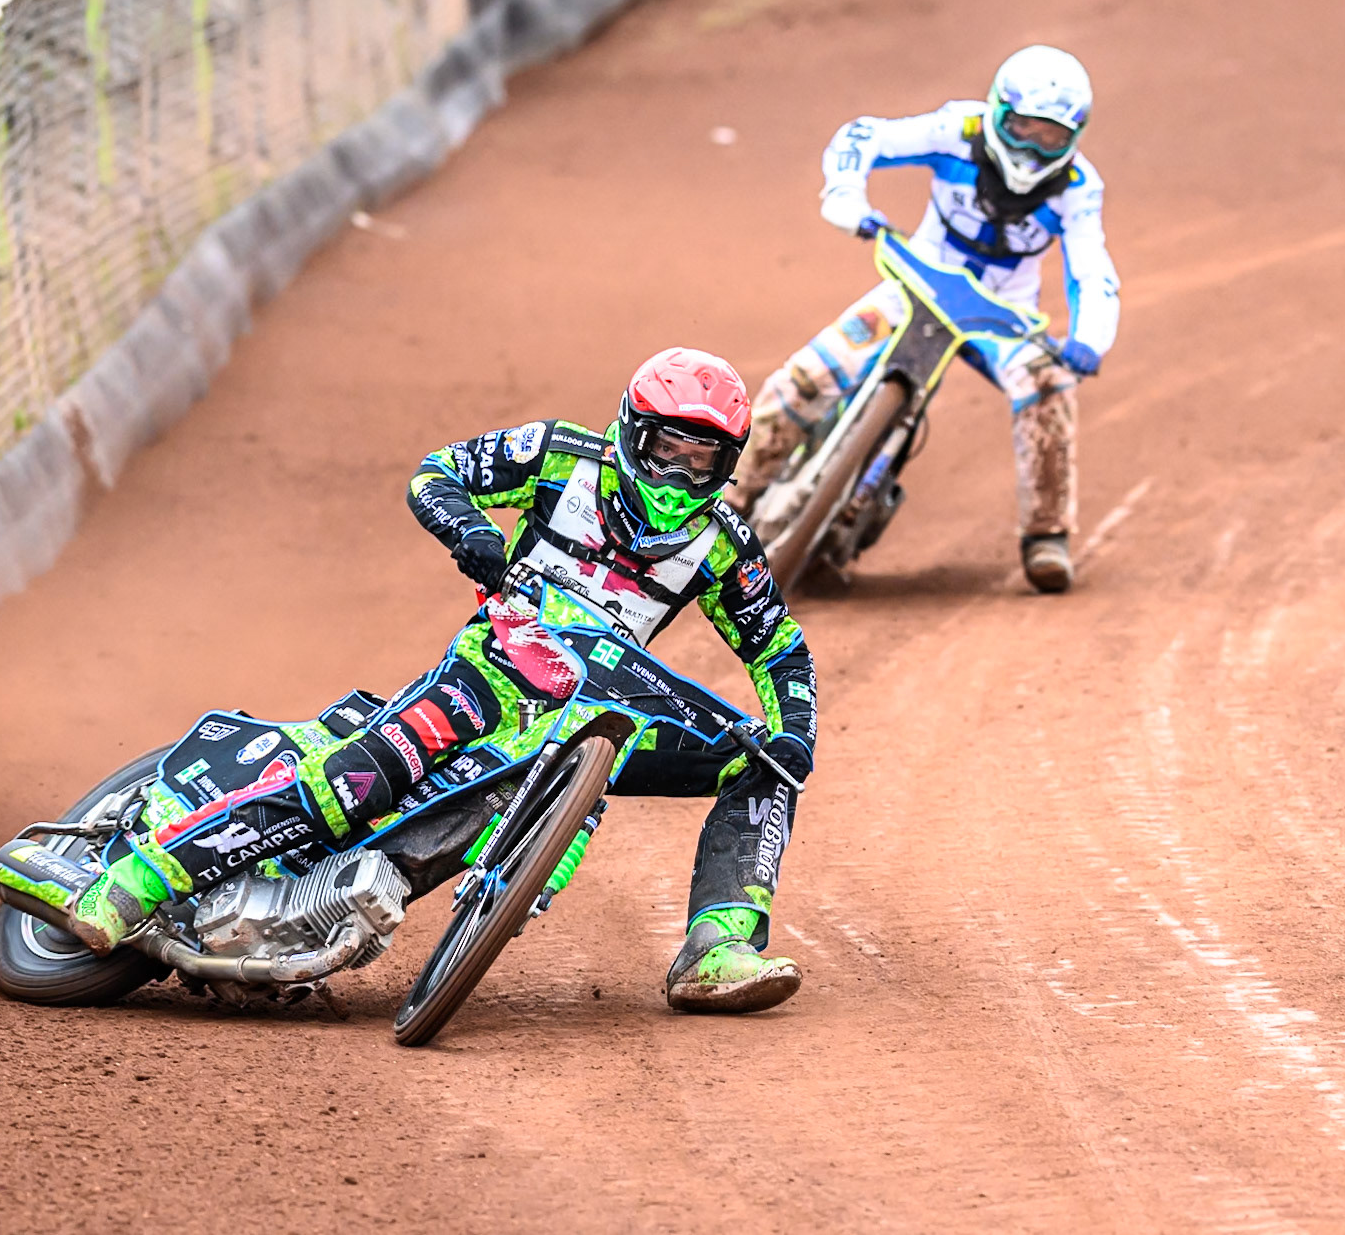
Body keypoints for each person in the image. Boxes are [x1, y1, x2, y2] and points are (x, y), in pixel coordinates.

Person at [60, 348, 819, 1013]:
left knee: (765, 767)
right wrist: (472, 533)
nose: (680, 475)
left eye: (703, 462)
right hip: (493, 668)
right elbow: (438, 471)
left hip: (606, 713)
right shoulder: (559, 455)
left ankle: (718, 946)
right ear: (629, 431)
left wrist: (795, 729)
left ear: (728, 466)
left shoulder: (725, 547)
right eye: (666, 451)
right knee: (360, 778)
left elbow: (781, 649)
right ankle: (142, 878)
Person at [727, 45, 1121, 594]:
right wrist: (845, 196)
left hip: (1000, 317)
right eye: (1025, 127)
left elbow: (1090, 264)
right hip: (917, 284)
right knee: (804, 378)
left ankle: (1046, 536)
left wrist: (1090, 337)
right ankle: (728, 504)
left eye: (1051, 136)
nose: (1033, 148)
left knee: (1050, 383)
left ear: (1074, 138)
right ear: (998, 112)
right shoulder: (957, 128)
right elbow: (867, 136)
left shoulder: (1079, 188)